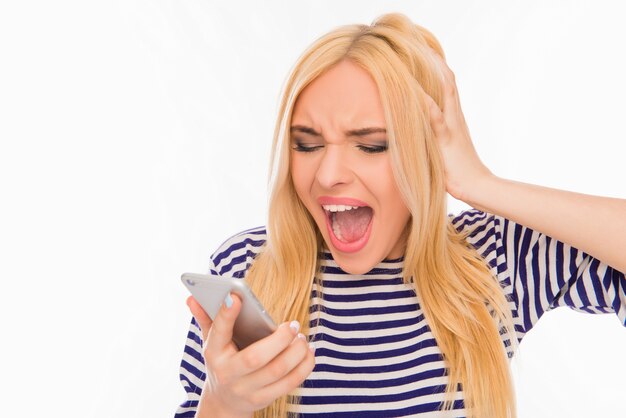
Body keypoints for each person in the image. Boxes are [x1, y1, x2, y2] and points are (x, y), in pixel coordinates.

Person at [175, 12, 626, 418]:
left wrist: (480, 184)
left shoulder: (496, 260)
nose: (328, 175)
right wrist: (223, 406)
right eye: (307, 145)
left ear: (424, 151)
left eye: (370, 144)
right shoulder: (247, 269)